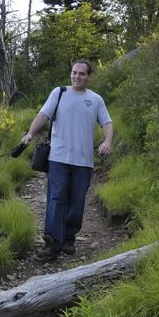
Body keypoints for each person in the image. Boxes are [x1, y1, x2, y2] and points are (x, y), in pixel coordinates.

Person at [21, 59, 113, 261]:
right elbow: (43, 115)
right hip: (58, 157)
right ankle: (52, 243)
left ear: (89, 76)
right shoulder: (59, 92)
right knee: (56, 197)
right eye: (74, 73)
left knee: (77, 200)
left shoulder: (95, 99)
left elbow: (107, 122)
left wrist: (107, 140)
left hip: (84, 161)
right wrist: (30, 134)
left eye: (81, 74)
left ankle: (69, 238)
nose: (76, 77)